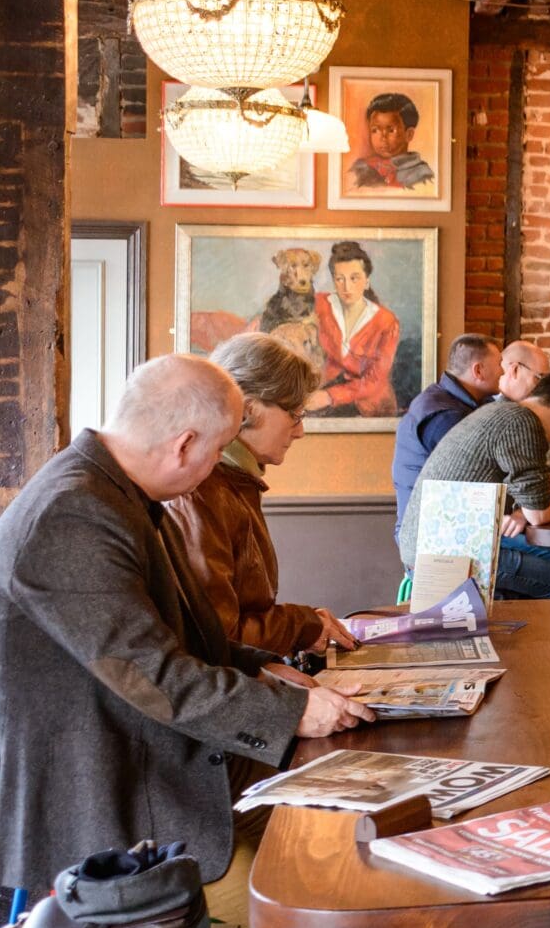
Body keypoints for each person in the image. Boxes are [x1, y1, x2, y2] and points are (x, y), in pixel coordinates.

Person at [0, 356, 371, 928]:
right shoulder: (74, 513)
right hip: (100, 798)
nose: (219, 466)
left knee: (321, 838)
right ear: (184, 446)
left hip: (147, 769)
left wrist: (261, 665)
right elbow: (155, 676)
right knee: (287, 906)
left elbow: (178, 640)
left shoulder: (118, 492)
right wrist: (293, 710)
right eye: (218, 448)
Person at [166, 332, 358, 657]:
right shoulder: (202, 490)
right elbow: (218, 636)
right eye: (294, 414)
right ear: (249, 409)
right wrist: (301, 625)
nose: (300, 431)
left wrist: (305, 624)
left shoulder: (233, 480)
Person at [398, 371, 550, 598]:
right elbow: (538, 514)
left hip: (435, 544)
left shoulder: (499, 412)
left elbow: (526, 495)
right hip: (447, 556)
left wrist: (527, 508)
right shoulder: (523, 423)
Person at [391, 334, 501, 532]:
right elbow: (480, 480)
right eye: (500, 364)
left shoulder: (457, 400)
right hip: (430, 541)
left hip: (448, 528)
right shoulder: (445, 417)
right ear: (478, 370)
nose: (503, 372)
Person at [313, 239, 400, 419]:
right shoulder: (320, 305)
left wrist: (330, 396)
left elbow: (374, 381)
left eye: (354, 278)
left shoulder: (386, 321)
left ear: (367, 281)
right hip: (321, 392)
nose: (347, 287)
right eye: (340, 279)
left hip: (368, 404)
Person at [349, 90, 436, 193]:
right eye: (375, 130)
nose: (383, 137)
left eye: (391, 130)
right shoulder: (361, 168)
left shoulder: (422, 175)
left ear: (409, 134)